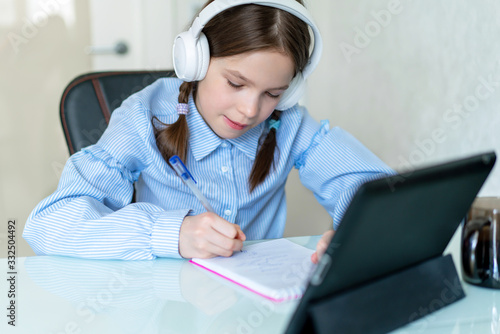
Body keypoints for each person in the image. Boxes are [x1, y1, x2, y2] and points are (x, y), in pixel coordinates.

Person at [23, 0, 393, 263]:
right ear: (194, 61)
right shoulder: (142, 116)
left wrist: (359, 236)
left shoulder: (289, 123)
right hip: (159, 306)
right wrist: (173, 234)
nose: (251, 110)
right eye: (235, 83)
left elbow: (378, 193)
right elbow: (49, 224)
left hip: (254, 307)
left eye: (273, 93)